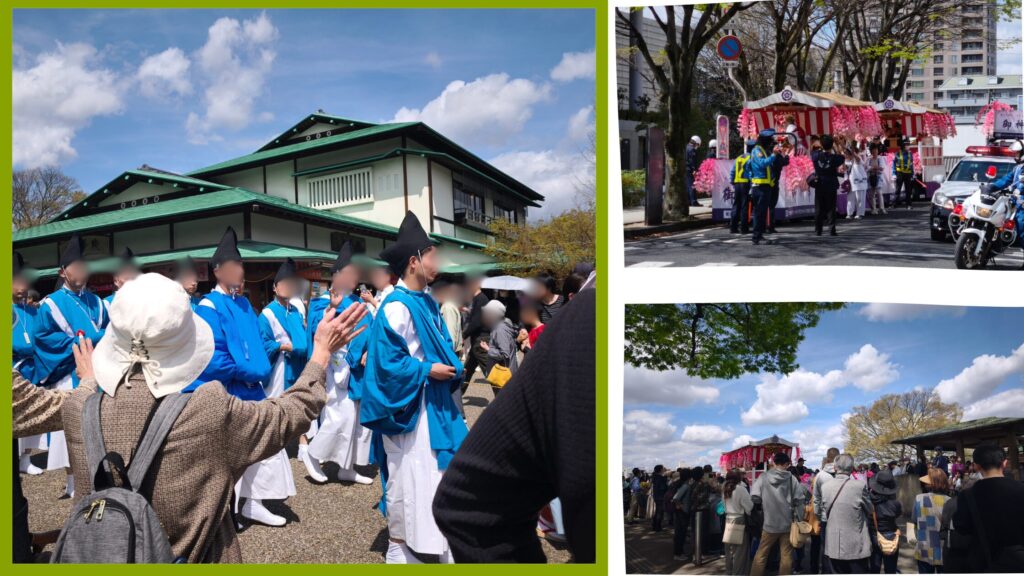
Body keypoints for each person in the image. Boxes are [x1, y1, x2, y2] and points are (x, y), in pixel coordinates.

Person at [11, 272, 368, 562]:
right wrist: (321, 355)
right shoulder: (206, 409)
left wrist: (90, 381)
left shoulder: (80, 408)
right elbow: (289, 414)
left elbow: (77, 398)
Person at [432, 286, 595, 563]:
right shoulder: (566, 321)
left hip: (521, 384)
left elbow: (469, 503)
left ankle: (554, 523)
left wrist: (491, 349)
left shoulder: (583, 321)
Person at [359, 211, 466, 564]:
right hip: (412, 407)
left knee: (433, 475)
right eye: (432, 255)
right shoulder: (396, 307)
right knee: (410, 476)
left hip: (432, 402)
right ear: (414, 261)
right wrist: (426, 369)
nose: (438, 262)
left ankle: (435, 544)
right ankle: (403, 546)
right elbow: (385, 365)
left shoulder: (426, 301)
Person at [195, 227, 289, 527]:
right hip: (229, 390)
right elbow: (212, 357)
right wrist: (249, 371)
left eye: (241, 265)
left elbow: (256, 345)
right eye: (233, 265)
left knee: (264, 447)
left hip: (254, 388)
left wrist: (261, 369)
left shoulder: (244, 303)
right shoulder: (209, 306)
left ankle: (254, 503)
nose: (239, 270)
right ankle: (228, 512)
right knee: (231, 454)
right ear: (217, 271)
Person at [34, 233, 110, 497]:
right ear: (63, 272)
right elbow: (45, 339)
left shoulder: (97, 302)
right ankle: (72, 482)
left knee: (99, 425)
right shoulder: (51, 304)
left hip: (99, 372)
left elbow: (109, 331)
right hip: (69, 372)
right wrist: (88, 340)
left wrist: (100, 339)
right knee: (72, 428)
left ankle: (99, 474)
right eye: (75, 266)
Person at [303, 241, 376, 486]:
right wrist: (332, 308)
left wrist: (369, 350)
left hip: (358, 369)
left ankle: (347, 467)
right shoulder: (322, 301)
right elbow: (318, 330)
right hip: (337, 368)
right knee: (339, 417)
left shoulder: (358, 301)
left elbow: (371, 330)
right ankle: (313, 454)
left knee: (357, 420)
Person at [258, 257, 311, 488]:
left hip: (297, 364)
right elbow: (264, 343)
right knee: (277, 404)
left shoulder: (295, 311)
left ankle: (303, 443)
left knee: (299, 403)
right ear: (275, 287)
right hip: (279, 365)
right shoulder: (267, 314)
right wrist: (283, 346)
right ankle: (273, 445)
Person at [951, 443, 1024, 571]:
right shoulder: (1021, 489)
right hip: (1019, 560)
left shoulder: (967, 495)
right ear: (1004, 463)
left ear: (976, 466)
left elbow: (961, 527)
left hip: (984, 560)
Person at [13, 252, 43, 476]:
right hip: (15, 369)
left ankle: (25, 458)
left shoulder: (33, 311)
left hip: (33, 370)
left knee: (32, 417)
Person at [751, 452, 804, 576]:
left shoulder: (763, 477)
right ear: (787, 464)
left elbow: (754, 497)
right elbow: (799, 499)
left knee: (761, 554)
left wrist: (764, 500)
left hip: (769, 523)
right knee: (786, 556)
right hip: (787, 523)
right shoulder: (791, 478)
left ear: (773, 463)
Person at [819, 454, 874, 574]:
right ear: (851, 468)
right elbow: (870, 509)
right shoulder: (859, 486)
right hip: (856, 543)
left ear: (835, 468)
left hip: (833, 543)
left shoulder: (825, 487)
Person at [913, 468, 951, 573]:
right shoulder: (949, 501)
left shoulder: (919, 498)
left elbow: (914, 520)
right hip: (943, 549)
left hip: (923, 547)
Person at [747, 130, 779, 245]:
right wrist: (774, 155)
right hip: (760, 187)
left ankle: (759, 235)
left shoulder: (762, 150)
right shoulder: (757, 151)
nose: (771, 143)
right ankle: (756, 236)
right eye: (770, 141)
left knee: (761, 212)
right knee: (759, 213)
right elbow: (762, 164)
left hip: (764, 186)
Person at [812, 446, 841, 575]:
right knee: (841, 545)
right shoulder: (844, 474)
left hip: (825, 516)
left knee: (826, 548)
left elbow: (816, 499)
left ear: (827, 457)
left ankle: (826, 571)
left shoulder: (820, 476)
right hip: (841, 516)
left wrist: (818, 516)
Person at [461, 275, 490, 395]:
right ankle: (456, 397)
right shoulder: (477, 299)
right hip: (477, 340)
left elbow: (476, 322)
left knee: (490, 372)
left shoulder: (481, 299)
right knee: (467, 370)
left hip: (481, 340)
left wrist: (463, 335)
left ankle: (505, 397)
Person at [869, 468, 902, 574]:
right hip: (891, 536)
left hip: (874, 535)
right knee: (890, 569)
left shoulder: (870, 502)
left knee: (874, 568)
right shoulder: (895, 504)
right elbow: (897, 514)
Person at [812, 135, 845, 237]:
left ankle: (818, 230)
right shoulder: (835, 158)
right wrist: (836, 146)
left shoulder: (816, 155)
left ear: (821, 145)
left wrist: (821, 146)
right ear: (831, 145)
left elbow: (813, 150)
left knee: (819, 208)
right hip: (831, 183)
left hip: (820, 183)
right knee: (831, 207)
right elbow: (842, 157)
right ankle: (832, 229)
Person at [722, 469, 754, 575]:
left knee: (729, 550)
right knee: (740, 552)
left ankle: (729, 572)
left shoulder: (724, 488)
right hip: (739, 520)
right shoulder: (741, 489)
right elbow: (749, 507)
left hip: (728, 520)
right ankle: (738, 573)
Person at [729, 140, 755, 234]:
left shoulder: (739, 157)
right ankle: (744, 228)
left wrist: (732, 181)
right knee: (744, 206)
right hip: (745, 183)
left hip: (737, 183)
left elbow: (732, 171)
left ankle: (733, 227)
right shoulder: (751, 158)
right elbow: (751, 172)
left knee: (736, 205)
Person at [766, 140, 791, 234]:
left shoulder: (766, 154)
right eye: (777, 146)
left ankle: (765, 226)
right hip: (773, 183)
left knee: (765, 206)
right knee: (771, 205)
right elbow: (785, 162)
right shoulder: (777, 156)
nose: (779, 148)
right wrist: (787, 154)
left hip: (765, 183)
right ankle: (770, 226)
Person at [672, 468, 695, 562]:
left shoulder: (681, 484)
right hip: (682, 513)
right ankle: (678, 554)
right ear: (689, 476)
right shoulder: (686, 486)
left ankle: (679, 552)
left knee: (680, 533)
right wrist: (682, 506)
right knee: (680, 533)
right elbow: (676, 498)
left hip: (680, 512)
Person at [844, 148, 868, 219]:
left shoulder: (857, 159)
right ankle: (849, 213)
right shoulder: (846, 161)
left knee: (860, 198)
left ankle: (860, 213)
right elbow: (844, 169)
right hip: (850, 183)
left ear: (851, 154)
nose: (845, 155)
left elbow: (857, 158)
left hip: (859, 182)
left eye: (846, 154)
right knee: (850, 198)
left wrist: (853, 152)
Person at [892, 139, 915, 209]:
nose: (908, 146)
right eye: (907, 145)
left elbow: (911, 164)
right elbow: (894, 164)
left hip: (908, 174)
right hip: (900, 173)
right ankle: (895, 204)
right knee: (898, 189)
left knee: (908, 190)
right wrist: (894, 173)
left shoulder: (910, 154)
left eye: (908, 145)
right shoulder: (897, 153)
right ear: (903, 146)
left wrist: (913, 173)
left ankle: (909, 205)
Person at [866, 144, 887, 215]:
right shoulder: (869, 159)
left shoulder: (880, 158)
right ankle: (874, 209)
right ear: (871, 151)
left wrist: (872, 168)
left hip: (878, 178)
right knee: (872, 194)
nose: (875, 152)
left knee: (879, 193)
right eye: (873, 151)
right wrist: (875, 168)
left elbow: (881, 168)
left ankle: (882, 208)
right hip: (871, 177)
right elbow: (867, 168)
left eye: (876, 151)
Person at [651, 465, 669, 532]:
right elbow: (663, 488)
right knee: (660, 512)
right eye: (663, 468)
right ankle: (658, 527)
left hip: (656, 496)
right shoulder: (660, 478)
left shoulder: (655, 477)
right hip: (661, 496)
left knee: (657, 511)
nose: (664, 469)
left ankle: (654, 525)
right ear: (661, 470)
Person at [686, 135, 702, 207]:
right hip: (690, 169)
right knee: (692, 186)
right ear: (696, 143)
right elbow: (692, 160)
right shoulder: (692, 149)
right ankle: (694, 202)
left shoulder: (686, 147)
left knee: (687, 186)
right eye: (697, 144)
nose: (697, 146)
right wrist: (694, 169)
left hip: (685, 169)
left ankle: (689, 201)